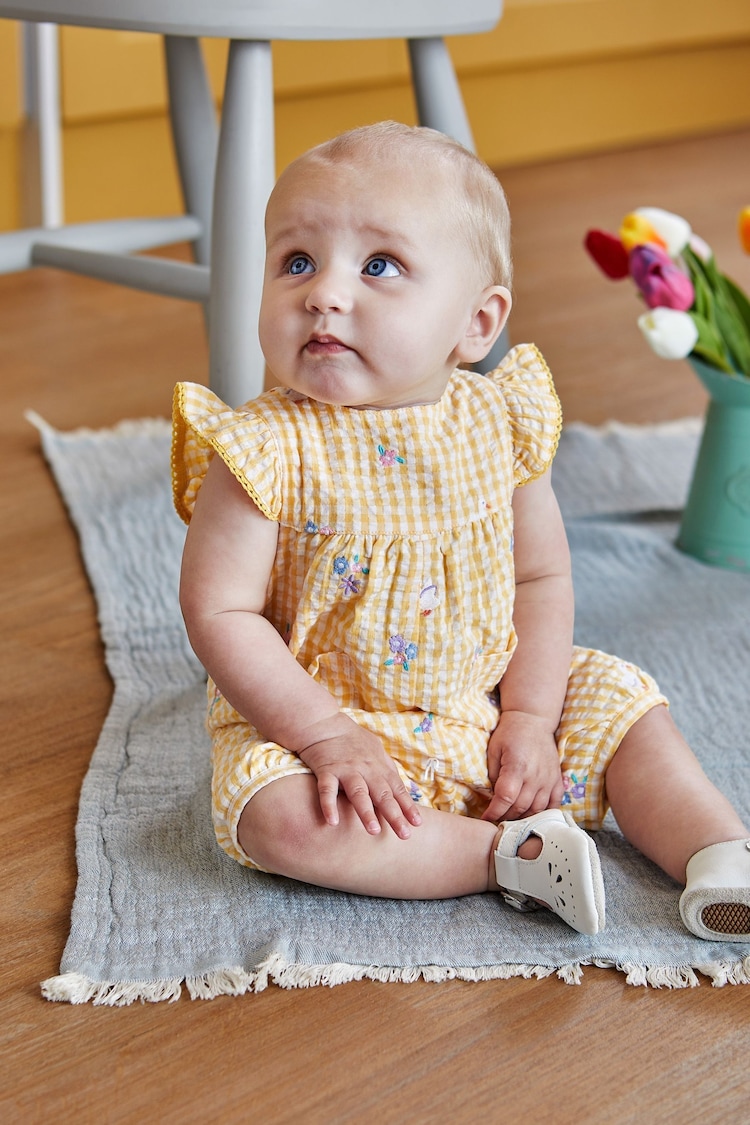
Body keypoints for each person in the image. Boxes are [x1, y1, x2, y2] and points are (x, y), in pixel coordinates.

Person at [172, 120, 750, 941]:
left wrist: (530, 717)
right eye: (296, 261)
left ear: (477, 324)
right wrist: (325, 735)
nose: (324, 293)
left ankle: (718, 853)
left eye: (380, 266)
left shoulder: (499, 420)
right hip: (329, 718)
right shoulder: (261, 448)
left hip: (487, 693)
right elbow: (220, 614)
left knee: (626, 705)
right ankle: (504, 856)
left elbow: (539, 579)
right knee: (273, 819)